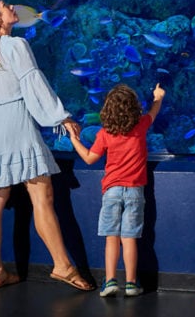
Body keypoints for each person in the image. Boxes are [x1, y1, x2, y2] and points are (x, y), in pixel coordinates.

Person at [0, 0, 95, 291]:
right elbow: (33, 84)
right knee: (42, 198)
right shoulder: (16, 45)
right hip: (17, 123)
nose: (11, 7)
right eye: (4, 6)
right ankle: (62, 266)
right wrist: (61, 117)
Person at [68, 82, 165, 298]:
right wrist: (158, 96)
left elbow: (90, 158)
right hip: (135, 191)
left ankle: (110, 281)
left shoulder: (104, 134)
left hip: (111, 191)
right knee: (130, 238)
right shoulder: (140, 126)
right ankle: (131, 283)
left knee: (111, 237)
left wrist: (74, 139)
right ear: (134, 108)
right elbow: (154, 111)